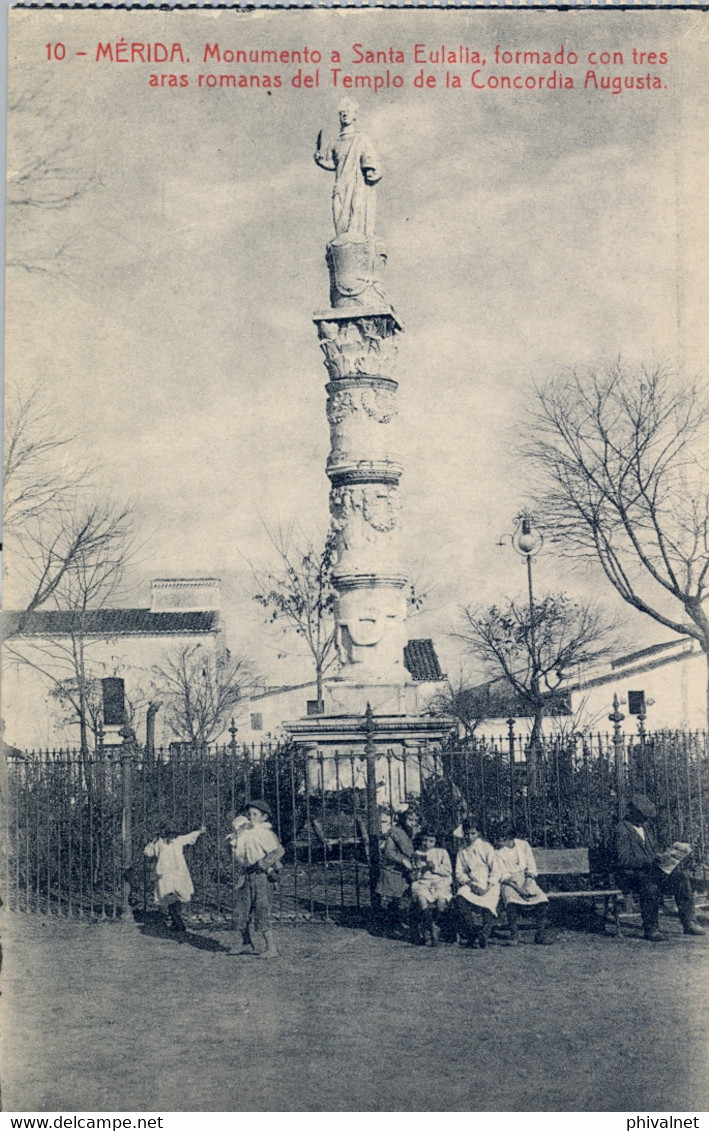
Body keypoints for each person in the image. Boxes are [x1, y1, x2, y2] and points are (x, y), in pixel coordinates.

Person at [614, 794, 705, 942]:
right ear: (632, 813)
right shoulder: (622, 830)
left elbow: (654, 849)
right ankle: (651, 928)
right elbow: (623, 860)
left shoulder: (646, 828)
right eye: (643, 816)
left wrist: (668, 854)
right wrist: (651, 860)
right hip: (630, 876)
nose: (646, 820)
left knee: (681, 877)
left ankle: (689, 922)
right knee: (650, 884)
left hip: (650, 871)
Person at [314, 99, 382, 240]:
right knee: (340, 226)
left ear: (355, 115)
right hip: (340, 186)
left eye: (348, 111)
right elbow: (333, 164)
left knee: (355, 221)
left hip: (356, 185)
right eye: (342, 112)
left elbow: (370, 157)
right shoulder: (334, 143)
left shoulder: (361, 138)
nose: (345, 114)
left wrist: (370, 169)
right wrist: (320, 161)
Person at [227, 799, 285, 959]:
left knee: (261, 911)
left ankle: (271, 948)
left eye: (255, 814)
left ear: (264, 817)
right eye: (249, 814)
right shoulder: (245, 833)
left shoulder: (266, 833)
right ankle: (246, 943)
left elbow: (279, 851)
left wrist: (263, 863)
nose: (251, 817)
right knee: (242, 910)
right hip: (247, 875)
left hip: (262, 877)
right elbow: (240, 851)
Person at [494, 823, 553, 945]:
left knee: (542, 900)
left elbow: (531, 867)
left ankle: (540, 935)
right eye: (498, 838)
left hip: (527, 879)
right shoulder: (496, 851)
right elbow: (502, 874)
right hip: (509, 882)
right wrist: (519, 889)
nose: (498, 842)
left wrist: (526, 886)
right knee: (511, 901)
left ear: (510, 838)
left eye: (502, 839)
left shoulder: (524, 845)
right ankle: (514, 935)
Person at [144, 823, 206, 932]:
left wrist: (199, 832)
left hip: (176, 873)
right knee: (170, 896)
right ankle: (177, 921)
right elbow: (148, 853)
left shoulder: (177, 840)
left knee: (176, 896)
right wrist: (152, 842)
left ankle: (177, 920)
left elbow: (190, 837)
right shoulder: (160, 843)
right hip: (167, 873)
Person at [454, 820, 502, 949]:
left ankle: (484, 934)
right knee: (459, 898)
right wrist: (469, 883)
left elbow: (496, 870)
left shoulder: (486, 847)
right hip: (472, 884)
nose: (469, 837)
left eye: (473, 833)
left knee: (488, 906)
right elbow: (459, 872)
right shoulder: (462, 850)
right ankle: (473, 932)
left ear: (478, 833)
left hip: (488, 883)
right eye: (467, 834)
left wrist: (487, 886)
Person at [376, 807, 421, 937]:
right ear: (403, 819)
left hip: (409, 871)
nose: (412, 823)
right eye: (409, 819)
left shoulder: (414, 832)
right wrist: (402, 860)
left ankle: (404, 924)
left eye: (415, 820)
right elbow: (389, 852)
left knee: (407, 899)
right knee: (392, 901)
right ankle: (388, 927)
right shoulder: (395, 832)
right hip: (394, 869)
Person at [410, 828, 453, 947]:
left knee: (441, 902)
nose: (427, 843)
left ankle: (434, 925)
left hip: (440, 883)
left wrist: (434, 867)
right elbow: (414, 875)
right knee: (421, 899)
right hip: (423, 883)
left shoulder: (442, 852)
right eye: (425, 840)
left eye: (431, 841)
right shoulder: (417, 853)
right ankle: (429, 929)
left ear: (435, 842)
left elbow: (448, 870)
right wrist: (419, 870)